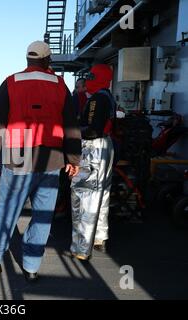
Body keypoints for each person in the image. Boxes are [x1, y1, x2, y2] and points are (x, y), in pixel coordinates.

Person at [0, 41, 81, 282]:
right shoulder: (60, 85)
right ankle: (31, 266)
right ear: (47, 61)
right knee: (42, 215)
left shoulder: (11, 82)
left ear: (28, 60)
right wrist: (73, 158)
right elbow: (71, 124)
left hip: (17, 157)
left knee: (6, 210)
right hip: (51, 159)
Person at [70, 64, 116, 260]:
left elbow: (92, 130)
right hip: (106, 146)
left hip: (93, 148)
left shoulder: (97, 98)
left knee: (84, 196)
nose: (87, 80)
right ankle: (99, 238)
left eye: (90, 77)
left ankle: (81, 248)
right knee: (102, 195)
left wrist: (70, 131)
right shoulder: (108, 96)